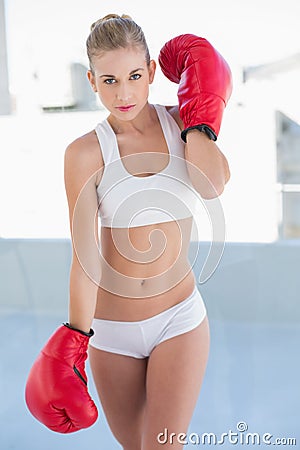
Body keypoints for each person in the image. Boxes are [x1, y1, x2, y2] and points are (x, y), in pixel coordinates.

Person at [25, 13, 232, 450]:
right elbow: (85, 259)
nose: (124, 92)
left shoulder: (183, 125)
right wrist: (75, 341)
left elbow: (212, 183)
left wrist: (199, 118)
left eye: (135, 75)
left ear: (153, 72)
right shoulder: (84, 153)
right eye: (110, 79)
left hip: (179, 318)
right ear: (92, 81)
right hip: (112, 331)